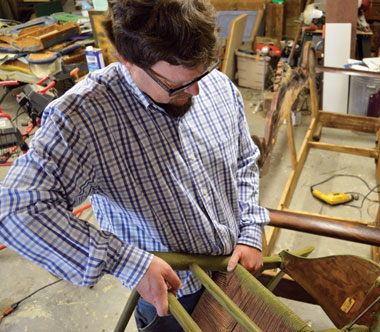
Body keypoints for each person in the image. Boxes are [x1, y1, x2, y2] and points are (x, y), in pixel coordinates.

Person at [0, 0, 270, 330]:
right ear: (126, 61)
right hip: (172, 294)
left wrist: (251, 231)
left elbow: (244, 160)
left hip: (235, 270)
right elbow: (15, 209)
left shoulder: (213, 85)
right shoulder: (83, 120)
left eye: (203, 71)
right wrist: (129, 263)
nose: (198, 90)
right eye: (178, 84)